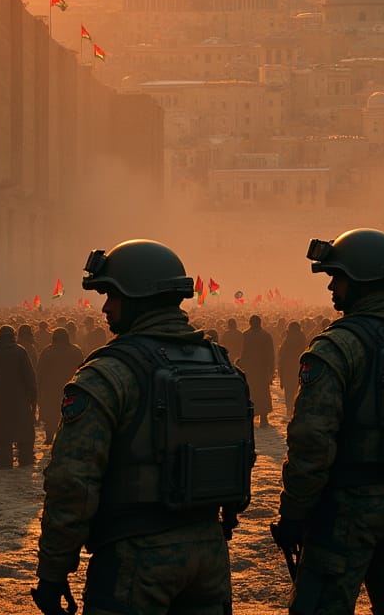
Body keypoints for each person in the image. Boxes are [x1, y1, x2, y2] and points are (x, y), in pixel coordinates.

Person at [35, 239, 253, 615]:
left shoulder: (109, 374)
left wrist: (54, 569)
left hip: (135, 554)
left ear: (138, 297)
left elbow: (73, 482)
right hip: (210, 552)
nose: (105, 307)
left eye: (112, 295)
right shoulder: (221, 365)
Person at [272, 228, 384, 615]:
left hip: (348, 507)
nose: (332, 289)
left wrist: (294, 511)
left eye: (336, 278)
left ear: (358, 279)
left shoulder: (338, 347)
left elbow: (311, 441)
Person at [0, 325, 37, 468]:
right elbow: (29, 376)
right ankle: (25, 457)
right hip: (20, 396)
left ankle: (4, 457)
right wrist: (33, 396)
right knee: (23, 428)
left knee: (2, 428)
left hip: (0, 396)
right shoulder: (20, 352)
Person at [36, 327, 83, 446]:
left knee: (51, 415)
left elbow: (40, 372)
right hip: (70, 388)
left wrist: (39, 389)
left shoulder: (47, 352)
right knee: (70, 413)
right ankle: (68, 438)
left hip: (50, 389)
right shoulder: (75, 351)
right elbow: (82, 370)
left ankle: (49, 437)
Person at [239, 314, 276, 428]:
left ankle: (251, 416)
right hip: (262, 369)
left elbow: (243, 353)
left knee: (251, 392)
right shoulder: (266, 335)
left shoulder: (245, 335)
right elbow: (271, 354)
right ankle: (264, 419)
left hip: (250, 369)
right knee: (263, 392)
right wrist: (271, 369)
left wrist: (241, 365)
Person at [277, 320, 307, 419]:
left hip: (288, 370)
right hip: (300, 369)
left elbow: (282, 356)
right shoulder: (303, 338)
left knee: (289, 393)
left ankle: (290, 410)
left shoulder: (287, 339)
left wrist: (280, 373)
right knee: (299, 391)